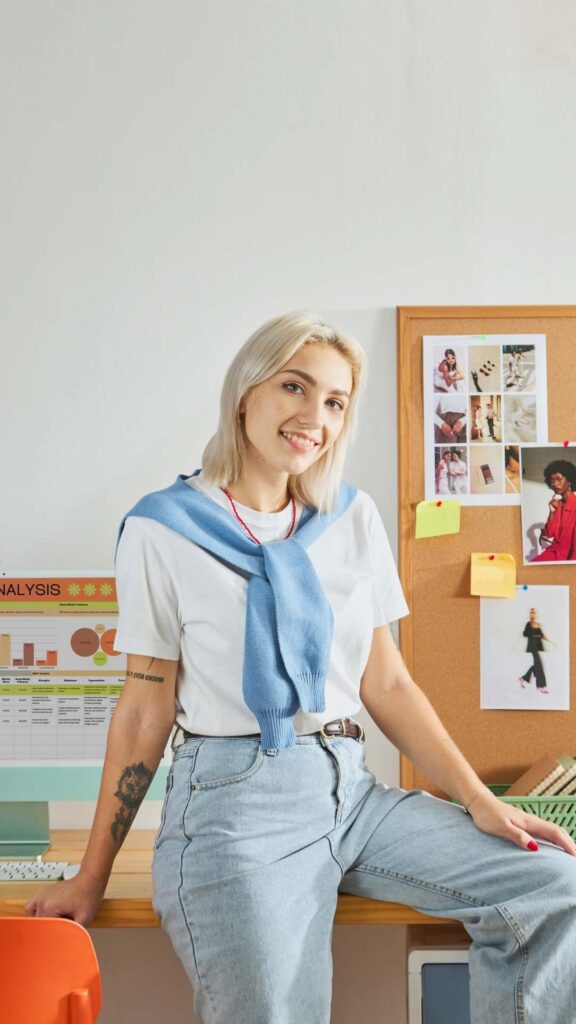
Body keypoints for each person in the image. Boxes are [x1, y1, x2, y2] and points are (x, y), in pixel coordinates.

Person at [27, 312, 576, 1024]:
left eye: (336, 401)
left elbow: (387, 683)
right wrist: (90, 877)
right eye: (295, 386)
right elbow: (144, 706)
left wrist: (477, 798)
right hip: (233, 801)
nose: (314, 416)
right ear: (246, 393)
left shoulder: (351, 518)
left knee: (551, 885)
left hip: (353, 790)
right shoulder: (161, 529)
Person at [532, 459, 576, 562]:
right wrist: (552, 512)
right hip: (554, 553)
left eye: (559, 479)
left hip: (569, 557)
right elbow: (549, 534)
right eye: (552, 480)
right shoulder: (558, 504)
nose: (555, 483)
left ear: (569, 480)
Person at [519, 608, 550, 694]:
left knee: (536, 666)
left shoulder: (538, 624)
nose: (532, 614)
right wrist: (526, 630)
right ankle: (541, 686)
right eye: (531, 613)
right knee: (539, 665)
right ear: (530, 614)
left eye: (534, 613)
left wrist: (547, 639)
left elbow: (541, 635)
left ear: (535, 614)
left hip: (537, 646)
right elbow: (525, 634)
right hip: (532, 647)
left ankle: (524, 678)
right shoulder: (528, 624)